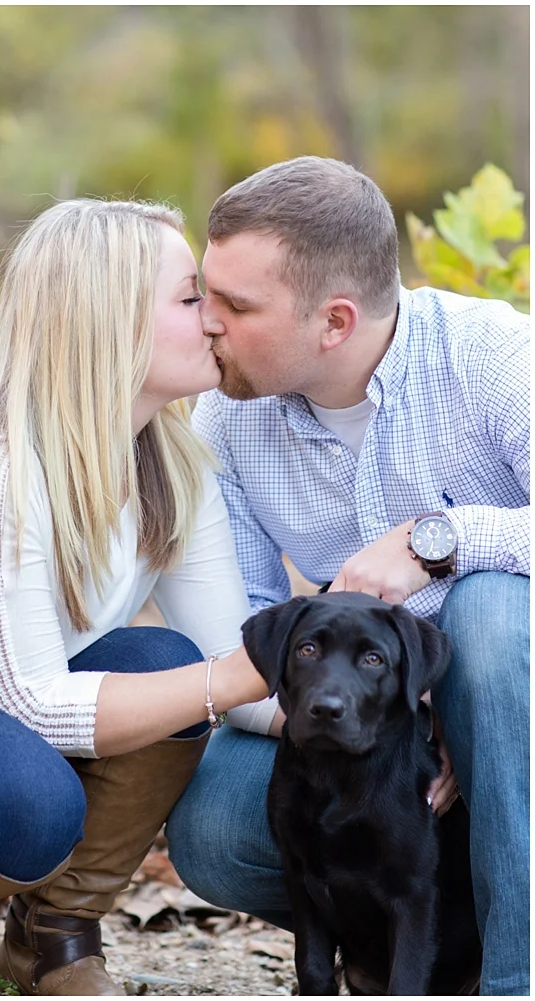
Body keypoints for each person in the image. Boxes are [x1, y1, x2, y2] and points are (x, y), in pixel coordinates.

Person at [0, 198, 281, 995]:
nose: (217, 320)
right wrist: (220, 681)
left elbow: (237, 667)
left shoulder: (174, 459)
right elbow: (31, 704)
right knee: (29, 802)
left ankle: (53, 941)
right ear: (109, 319)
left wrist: (369, 720)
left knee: (166, 658)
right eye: (192, 297)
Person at [164, 155, 530, 994]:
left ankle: (517, 975)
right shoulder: (225, 418)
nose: (204, 323)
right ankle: (419, 942)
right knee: (215, 826)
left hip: (522, 729)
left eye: (235, 305)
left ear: (333, 321)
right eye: (202, 292)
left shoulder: (494, 359)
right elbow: (241, 641)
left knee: (494, 613)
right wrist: (387, 719)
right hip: (382, 749)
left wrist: (440, 540)